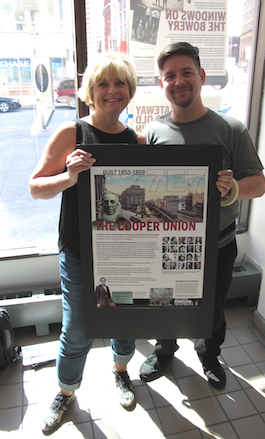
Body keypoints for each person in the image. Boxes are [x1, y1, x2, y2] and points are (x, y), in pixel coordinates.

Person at [139, 42, 265, 389]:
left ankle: (209, 354)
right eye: (170, 76)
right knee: (162, 301)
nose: (178, 81)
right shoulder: (152, 133)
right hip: (165, 244)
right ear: (161, 83)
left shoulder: (231, 128)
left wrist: (234, 189)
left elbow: (259, 183)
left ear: (202, 76)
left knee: (211, 308)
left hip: (218, 244)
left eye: (186, 73)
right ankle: (164, 350)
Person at [29, 53, 145, 432]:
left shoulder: (135, 140)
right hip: (80, 251)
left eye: (120, 84)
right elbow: (35, 187)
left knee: (123, 318)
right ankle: (65, 392)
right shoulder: (72, 133)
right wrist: (68, 176)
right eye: (103, 84)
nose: (112, 91)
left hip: (123, 249)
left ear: (129, 91)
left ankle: (121, 370)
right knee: (77, 328)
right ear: (90, 92)